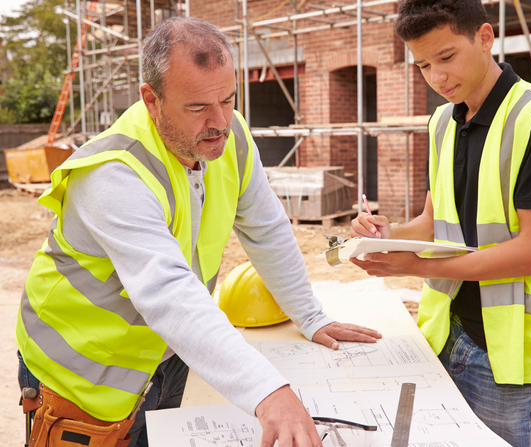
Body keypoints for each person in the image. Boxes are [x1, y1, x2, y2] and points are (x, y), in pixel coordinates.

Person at [16, 17, 381, 447]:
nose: (220, 121)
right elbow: (170, 293)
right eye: (197, 108)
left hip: (169, 360)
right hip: (82, 379)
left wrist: (311, 316)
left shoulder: (231, 137)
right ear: (151, 101)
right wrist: (268, 392)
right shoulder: (112, 175)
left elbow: (267, 230)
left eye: (228, 99)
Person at [350, 1, 531, 446]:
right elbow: (435, 221)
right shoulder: (442, 121)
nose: (436, 77)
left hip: (509, 348)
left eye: (446, 57)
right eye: (422, 65)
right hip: (445, 331)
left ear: (483, 37)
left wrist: (412, 267)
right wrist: (387, 234)